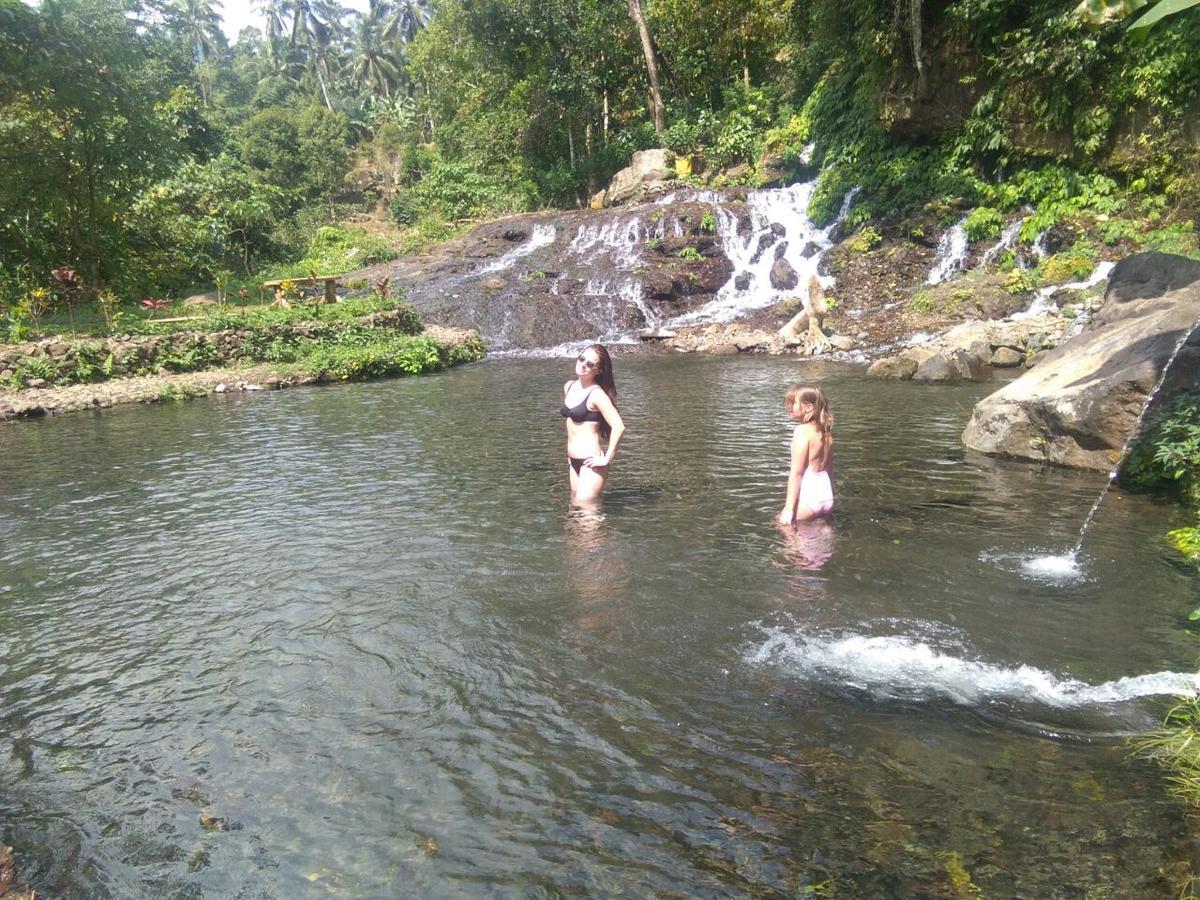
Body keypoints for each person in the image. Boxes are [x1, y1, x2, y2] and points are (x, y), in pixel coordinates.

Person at [561, 344, 625, 504]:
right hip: (573, 460)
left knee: (588, 517)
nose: (583, 364)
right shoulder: (569, 387)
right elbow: (571, 424)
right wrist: (569, 454)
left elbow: (619, 426)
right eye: (582, 358)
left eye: (590, 364)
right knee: (576, 515)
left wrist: (607, 458)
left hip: (591, 461)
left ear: (599, 370)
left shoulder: (596, 394)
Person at [778, 383, 834, 525]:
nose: (788, 406)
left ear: (809, 408)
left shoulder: (802, 431)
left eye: (794, 403)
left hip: (810, 497)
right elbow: (829, 468)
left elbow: (796, 473)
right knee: (820, 530)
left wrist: (788, 508)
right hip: (827, 495)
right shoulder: (826, 432)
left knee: (783, 525)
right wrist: (832, 495)